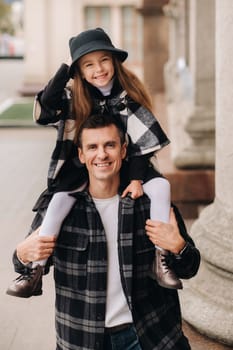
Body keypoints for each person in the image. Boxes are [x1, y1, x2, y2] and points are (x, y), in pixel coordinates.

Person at [7, 27, 180, 298]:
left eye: (104, 60)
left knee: (160, 187)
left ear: (114, 62)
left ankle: (162, 258)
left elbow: (144, 143)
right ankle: (34, 271)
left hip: (128, 164)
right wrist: (67, 69)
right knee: (57, 204)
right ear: (80, 71)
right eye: (88, 64)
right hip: (82, 168)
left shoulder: (127, 98)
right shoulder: (74, 97)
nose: (98, 69)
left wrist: (136, 178)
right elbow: (45, 109)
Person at [9, 114, 200, 349]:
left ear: (123, 150)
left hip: (151, 337)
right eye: (92, 147)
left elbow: (190, 268)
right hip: (82, 340)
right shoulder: (59, 211)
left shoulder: (149, 205)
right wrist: (21, 253)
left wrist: (178, 246)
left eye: (110, 145)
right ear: (81, 155)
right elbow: (27, 268)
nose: (101, 155)